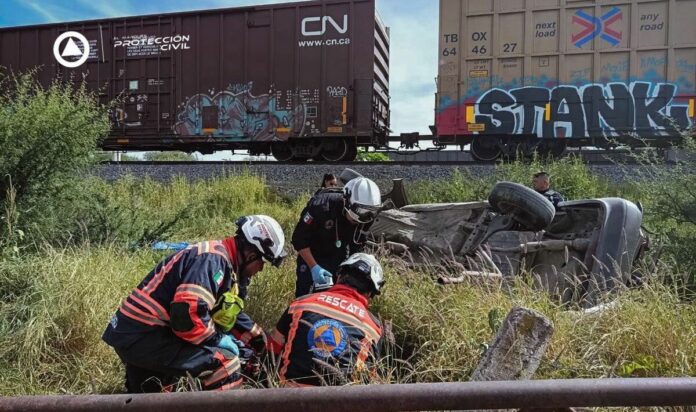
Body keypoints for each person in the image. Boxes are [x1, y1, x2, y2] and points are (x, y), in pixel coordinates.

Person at [102, 215, 286, 393]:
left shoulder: (221, 258)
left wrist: (257, 337)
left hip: (133, 333)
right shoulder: (213, 260)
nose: (261, 269)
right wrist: (217, 340)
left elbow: (220, 310)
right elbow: (187, 316)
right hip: (146, 336)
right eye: (263, 262)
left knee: (151, 398)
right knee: (225, 362)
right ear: (251, 254)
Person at [268, 253, 385, 387]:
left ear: (339, 276)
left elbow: (272, 349)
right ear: (370, 293)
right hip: (340, 404)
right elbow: (369, 376)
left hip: (285, 399)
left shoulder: (300, 304)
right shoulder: (373, 328)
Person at [292, 176, 381, 297]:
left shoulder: (366, 217)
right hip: (312, 255)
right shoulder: (321, 206)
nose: (359, 221)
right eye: (358, 213)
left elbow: (357, 246)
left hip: (339, 256)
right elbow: (298, 239)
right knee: (307, 297)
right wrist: (314, 267)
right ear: (347, 202)